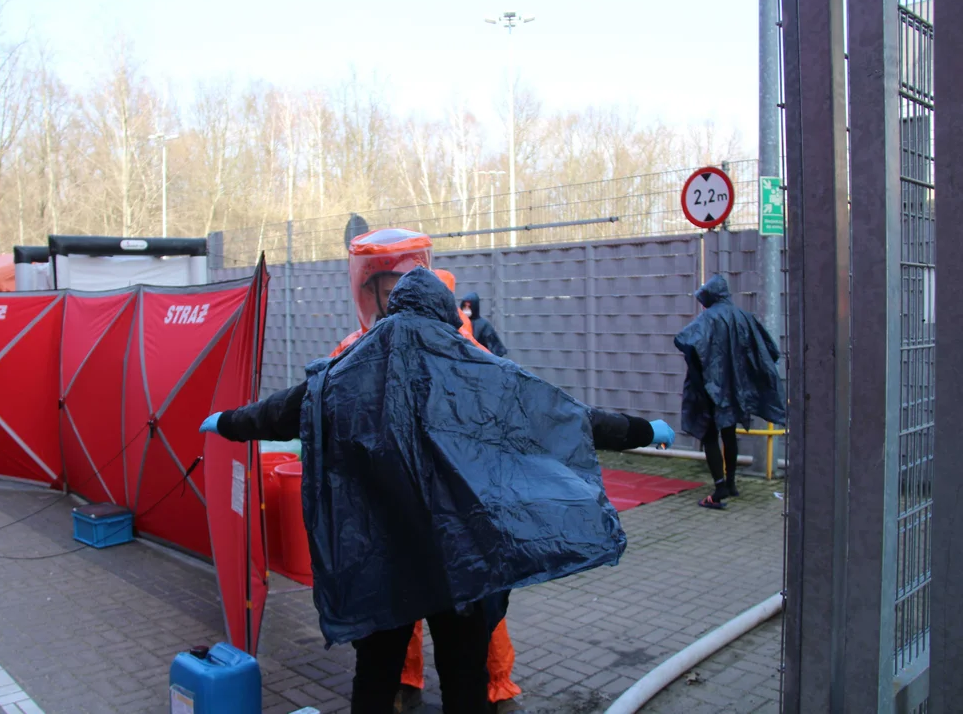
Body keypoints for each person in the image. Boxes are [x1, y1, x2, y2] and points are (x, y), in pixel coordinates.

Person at [201, 266, 676, 713]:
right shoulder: (477, 370)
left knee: (376, 672)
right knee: (464, 672)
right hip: (459, 553)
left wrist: (226, 422)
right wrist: (642, 430)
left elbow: (277, 412)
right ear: (447, 314)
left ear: (393, 309)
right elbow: (565, 415)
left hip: (379, 556)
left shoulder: (341, 373)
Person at [328, 230, 520, 712]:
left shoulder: (461, 354)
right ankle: (416, 681)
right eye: (388, 293)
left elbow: (523, 409)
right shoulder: (354, 355)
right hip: (411, 537)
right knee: (406, 657)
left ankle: (486, 684)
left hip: (436, 537)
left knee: (457, 655)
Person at [674, 274, 785, 510]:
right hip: (736, 388)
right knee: (728, 432)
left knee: (709, 435)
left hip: (712, 387)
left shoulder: (708, 318)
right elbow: (768, 351)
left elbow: (685, 341)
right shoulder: (744, 317)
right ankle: (732, 483)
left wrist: (699, 378)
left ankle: (720, 486)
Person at [460, 292, 508, 358]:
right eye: (464, 307)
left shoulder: (484, 325)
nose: (466, 309)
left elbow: (497, 349)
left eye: (469, 307)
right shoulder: (458, 323)